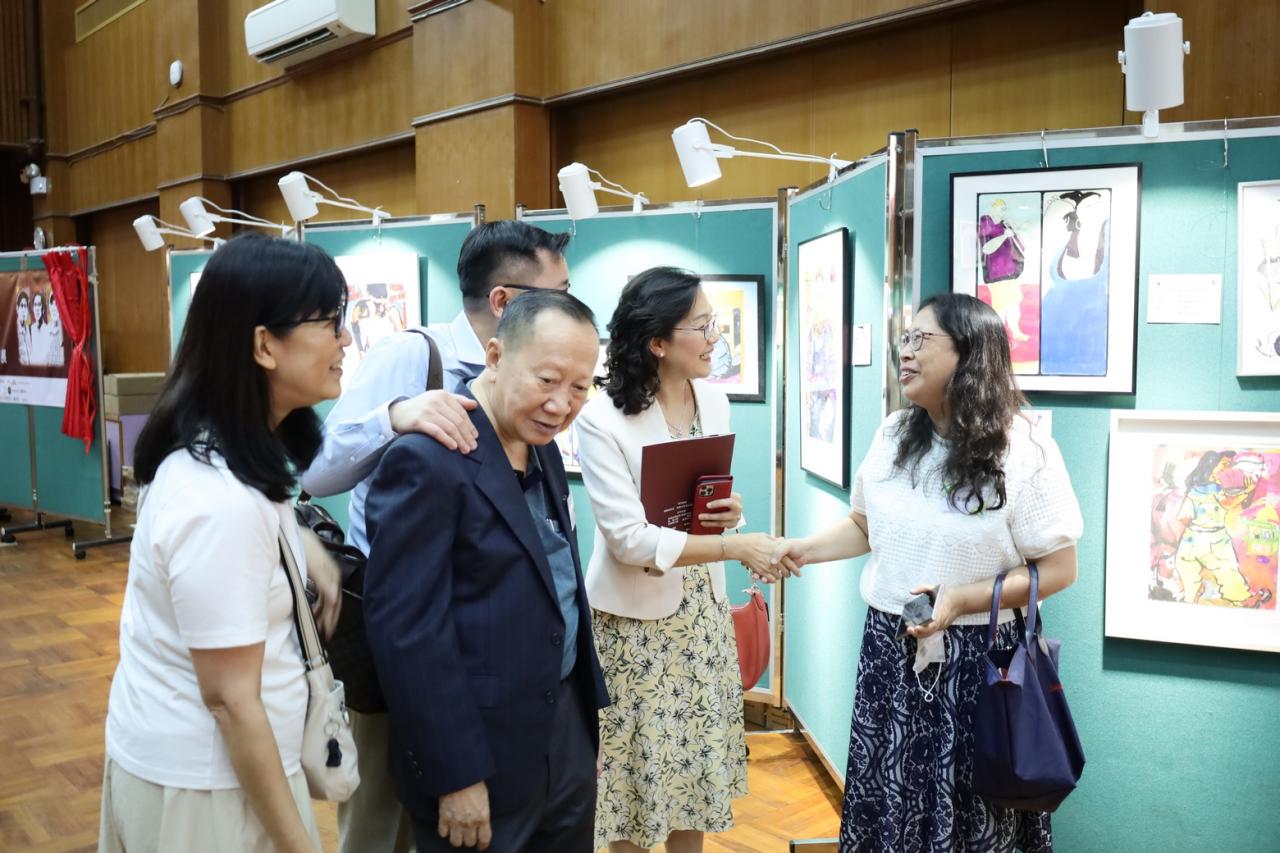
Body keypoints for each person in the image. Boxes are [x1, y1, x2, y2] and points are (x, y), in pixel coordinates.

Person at [771, 293, 1083, 853]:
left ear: (971, 353)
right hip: (890, 651)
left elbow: (1059, 569)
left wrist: (959, 599)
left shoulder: (1024, 448)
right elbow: (865, 526)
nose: (906, 353)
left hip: (981, 663)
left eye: (922, 339)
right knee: (888, 802)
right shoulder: (894, 435)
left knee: (971, 816)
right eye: (905, 340)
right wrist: (802, 550)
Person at [298, 219, 574, 853]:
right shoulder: (415, 357)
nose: (567, 306)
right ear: (504, 301)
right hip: (409, 630)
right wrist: (395, 416)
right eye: (557, 293)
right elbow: (317, 471)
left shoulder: (536, 383)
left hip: (487, 646)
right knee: (381, 818)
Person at [98, 234, 348, 853]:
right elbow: (231, 701)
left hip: (218, 773)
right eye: (329, 322)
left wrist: (302, 545)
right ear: (264, 345)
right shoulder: (217, 501)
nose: (345, 340)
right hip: (209, 789)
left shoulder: (225, 457)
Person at [362, 290, 610, 852]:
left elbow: (558, 584)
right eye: (547, 380)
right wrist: (455, 774)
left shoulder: (541, 444)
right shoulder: (427, 460)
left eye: (580, 387)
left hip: (561, 734)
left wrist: (581, 726)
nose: (561, 404)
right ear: (495, 357)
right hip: (479, 753)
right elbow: (408, 634)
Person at [575, 267, 779, 853]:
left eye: (714, 323)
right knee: (637, 783)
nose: (716, 337)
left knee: (694, 777)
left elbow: (701, 506)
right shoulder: (600, 419)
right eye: (703, 326)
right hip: (632, 626)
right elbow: (628, 540)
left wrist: (729, 515)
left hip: (701, 619)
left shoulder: (713, 401)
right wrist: (734, 545)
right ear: (658, 342)